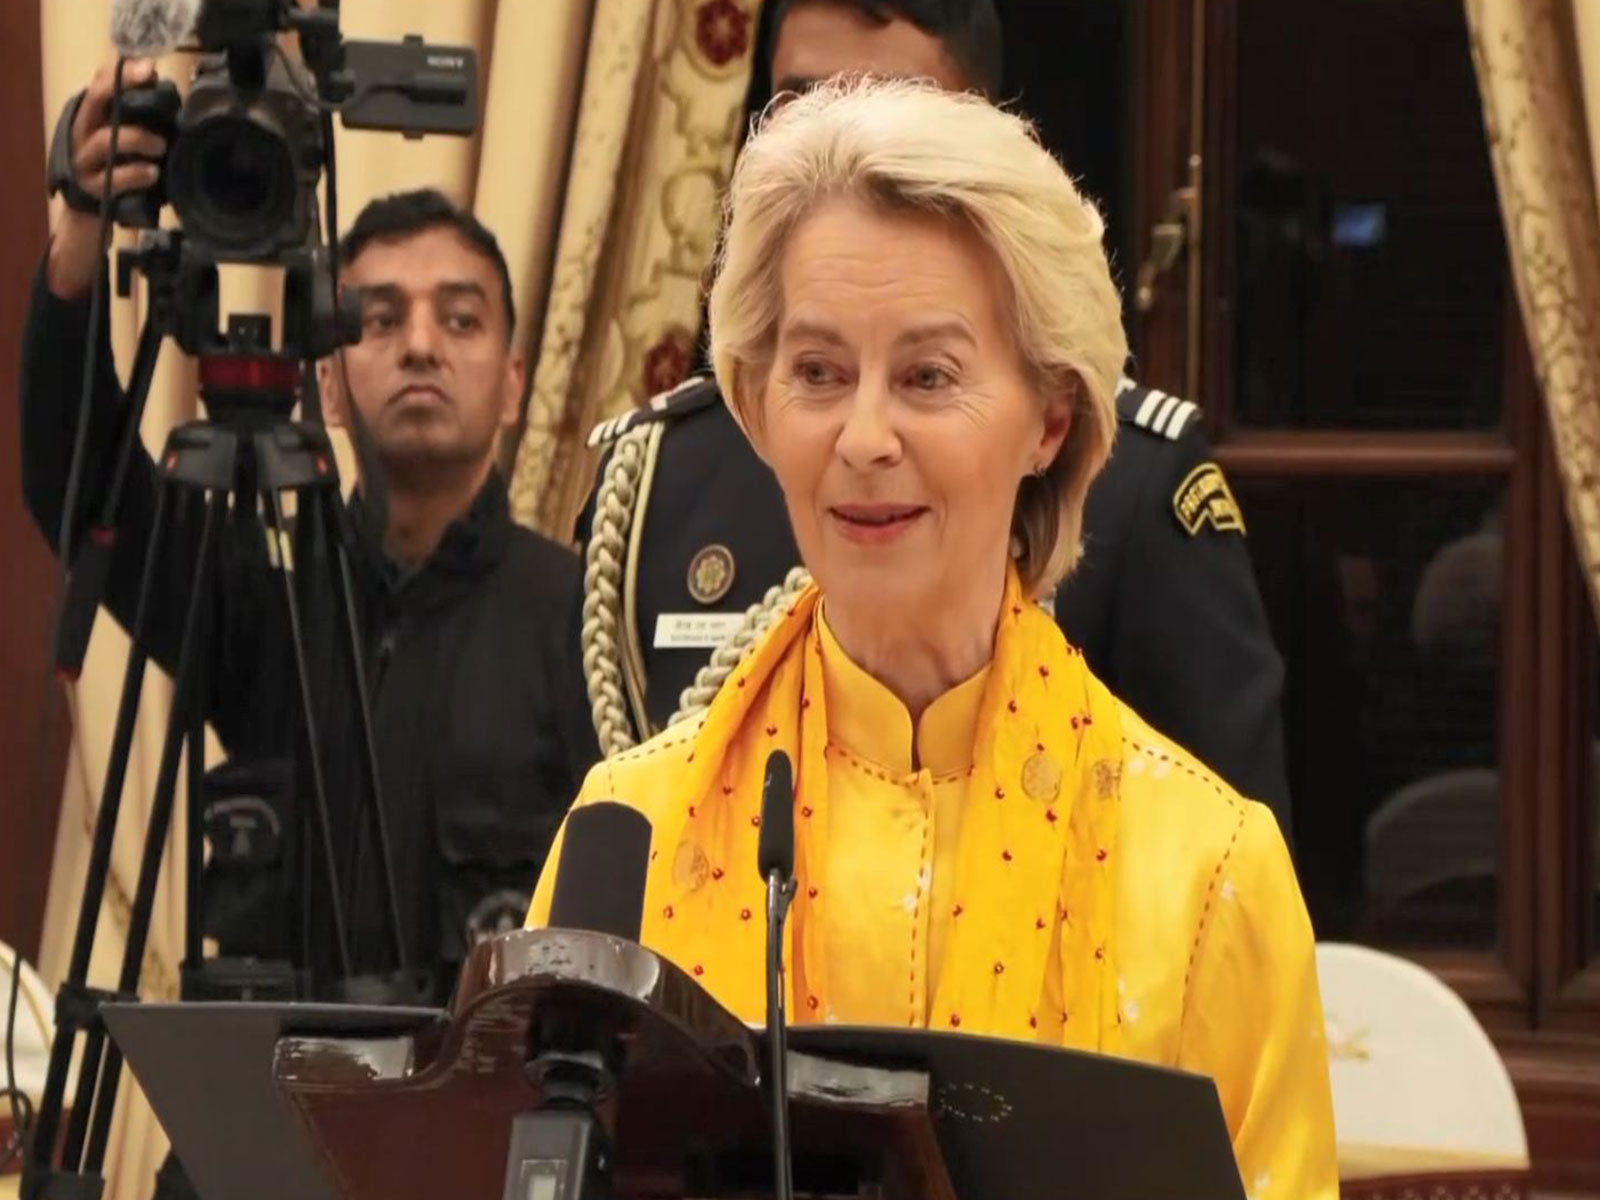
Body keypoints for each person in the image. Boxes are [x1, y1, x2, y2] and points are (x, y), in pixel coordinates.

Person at [533, 79, 1336, 1197]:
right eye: (817, 373)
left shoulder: (1206, 871)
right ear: (759, 406)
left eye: (927, 376)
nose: (864, 436)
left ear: (1050, 417)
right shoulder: (632, 836)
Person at [569, 0, 1292, 829]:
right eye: (798, 107)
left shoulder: (1133, 482)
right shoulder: (661, 477)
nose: (865, 439)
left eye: (928, 377)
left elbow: (1233, 859)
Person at [21, 59, 581, 1003]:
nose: (418, 345)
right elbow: (78, 485)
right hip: (259, 1122)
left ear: (514, 381)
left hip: (478, 1133)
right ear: (326, 379)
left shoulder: (575, 622)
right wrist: (81, 228)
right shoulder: (257, 595)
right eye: (377, 317)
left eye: (459, 318)